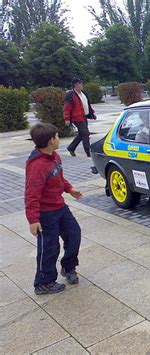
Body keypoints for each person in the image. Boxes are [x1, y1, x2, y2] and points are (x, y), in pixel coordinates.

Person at [25, 123, 83, 295]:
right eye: (57, 136)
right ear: (51, 140)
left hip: (60, 207)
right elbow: (31, 194)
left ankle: (69, 267)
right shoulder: (37, 166)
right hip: (45, 214)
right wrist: (33, 220)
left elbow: (59, 178)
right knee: (49, 247)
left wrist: (69, 189)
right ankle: (43, 282)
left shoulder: (54, 156)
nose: (59, 139)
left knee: (74, 234)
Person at [64, 78, 96, 157]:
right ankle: (88, 152)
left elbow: (87, 104)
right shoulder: (70, 95)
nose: (82, 85)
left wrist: (92, 112)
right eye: (80, 83)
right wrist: (67, 119)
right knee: (85, 133)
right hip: (76, 118)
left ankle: (71, 147)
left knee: (82, 134)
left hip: (84, 116)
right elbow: (67, 108)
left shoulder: (83, 93)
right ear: (76, 85)